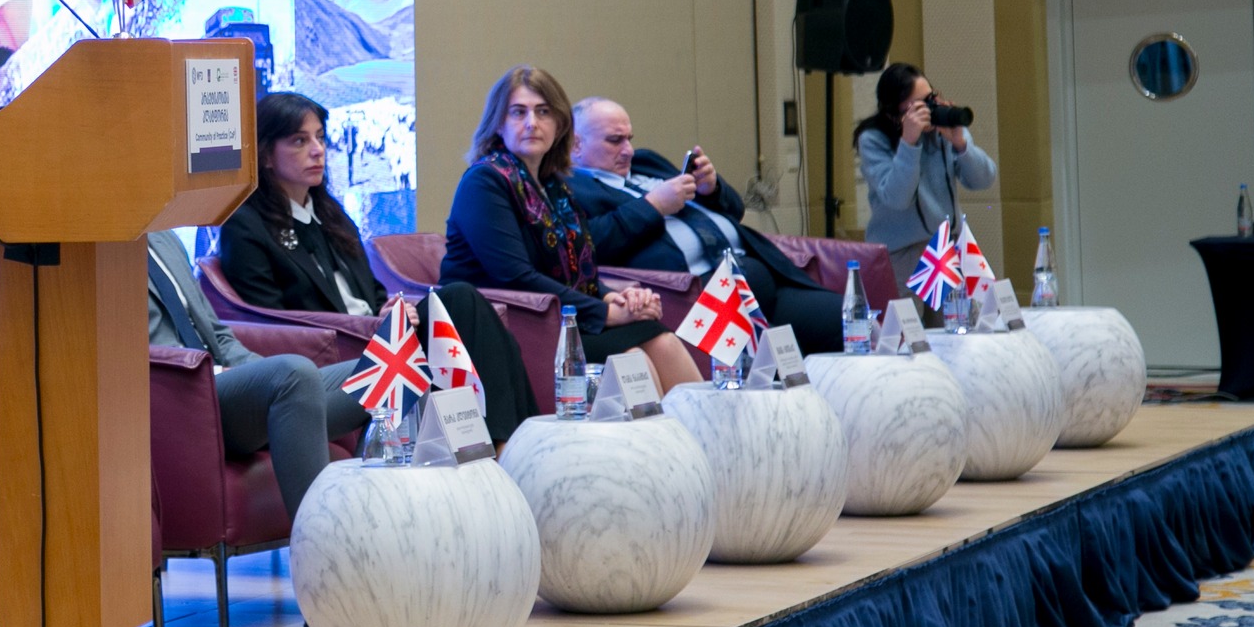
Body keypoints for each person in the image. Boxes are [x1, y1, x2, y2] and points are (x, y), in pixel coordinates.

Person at [219, 93, 540, 442]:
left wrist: (389, 310)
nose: (318, 150)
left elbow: (370, 293)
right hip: (340, 352)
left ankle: (515, 439)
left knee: (465, 305)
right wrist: (368, 324)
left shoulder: (331, 215)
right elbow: (271, 320)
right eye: (300, 141)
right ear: (266, 154)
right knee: (462, 303)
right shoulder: (245, 225)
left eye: (320, 138)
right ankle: (507, 444)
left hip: (378, 336)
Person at [440, 67, 704, 389]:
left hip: (562, 316)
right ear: (498, 123)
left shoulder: (554, 184)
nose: (532, 123)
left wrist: (615, 298)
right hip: (514, 324)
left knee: (663, 341)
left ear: (560, 123)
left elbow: (576, 269)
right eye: (518, 112)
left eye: (543, 112)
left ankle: (703, 423)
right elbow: (515, 276)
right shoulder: (484, 181)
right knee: (633, 356)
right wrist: (604, 313)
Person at [568, 98, 845, 354]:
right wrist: (653, 205)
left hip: (758, 275)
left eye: (629, 139)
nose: (628, 151)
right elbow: (590, 244)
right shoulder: (570, 188)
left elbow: (735, 210)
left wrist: (711, 188)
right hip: (707, 295)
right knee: (777, 362)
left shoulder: (647, 163)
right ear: (576, 145)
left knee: (847, 322)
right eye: (614, 141)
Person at [147, 230, 369, 516]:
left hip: (224, 380)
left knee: (379, 370)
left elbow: (217, 334)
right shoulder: (103, 257)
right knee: (293, 374)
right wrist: (218, 372)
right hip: (182, 392)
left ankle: (374, 521)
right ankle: (318, 535)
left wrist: (257, 373)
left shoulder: (164, 239)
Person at [854, 62, 998, 275]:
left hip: (947, 248)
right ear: (894, 113)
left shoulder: (943, 129)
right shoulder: (873, 139)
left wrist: (961, 144)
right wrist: (909, 143)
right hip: (903, 253)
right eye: (920, 106)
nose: (931, 110)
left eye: (931, 98)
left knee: (962, 300)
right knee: (908, 302)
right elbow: (897, 198)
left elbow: (985, 179)